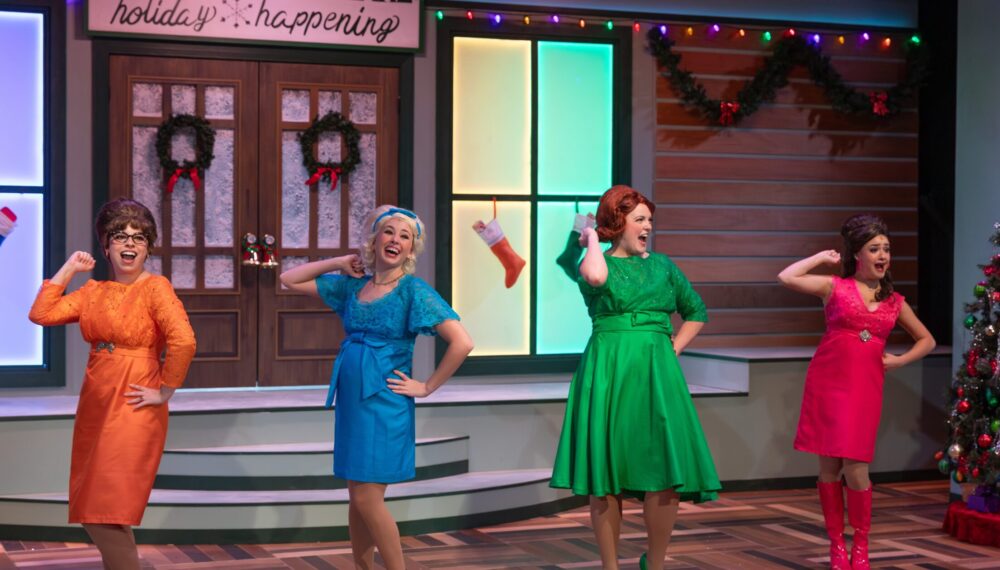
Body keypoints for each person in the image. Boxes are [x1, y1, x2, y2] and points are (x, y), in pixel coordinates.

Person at [279, 205, 473, 570]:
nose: (396, 240)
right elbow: (288, 278)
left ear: (411, 248)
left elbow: (462, 342)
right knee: (357, 498)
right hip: (353, 405)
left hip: (385, 405)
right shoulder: (353, 287)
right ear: (375, 240)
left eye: (405, 236)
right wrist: (339, 262)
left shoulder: (413, 291)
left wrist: (427, 386)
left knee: (368, 499)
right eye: (389, 231)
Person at [550, 185, 721, 570]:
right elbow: (596, 276)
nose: (648, 227)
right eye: (640, 219)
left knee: (663, 470)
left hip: (657, 371)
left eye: (650, 220)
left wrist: (673, 349)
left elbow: (696, 311)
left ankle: (654, 564)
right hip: (609, 369)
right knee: (605, 476)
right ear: (617, 222)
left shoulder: (663, 266)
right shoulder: (595, 262)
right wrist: (591, 237)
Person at [29, 198, 196, 570]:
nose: (130, 243)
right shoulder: (94, 292)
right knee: (98, 508)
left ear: (148, 248)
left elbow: (184, 341)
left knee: (104, 508)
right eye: (120, 236)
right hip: (97, 398)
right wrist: (70, 268)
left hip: (134, 401)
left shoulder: (156, 288)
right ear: (106, 247)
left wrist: (165, 391)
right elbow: (41, 313)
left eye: (139, 237)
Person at [777, 214, 935, 570]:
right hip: (828, 383)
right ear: (858, 254)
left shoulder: (895, 301)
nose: (883, 256)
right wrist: (821, 257)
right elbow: (787, 277)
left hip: (865, 389)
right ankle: (837, 546)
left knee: (857, 469)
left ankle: (861, 546)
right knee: (829, 468)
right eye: (874, 249)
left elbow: (927, 339)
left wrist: (899, 361)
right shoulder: (834, 287)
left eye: (887, 249)